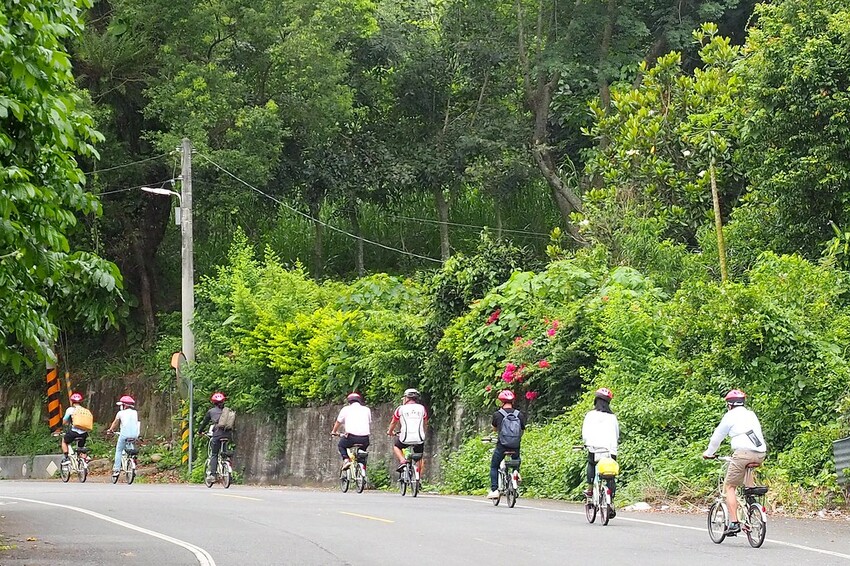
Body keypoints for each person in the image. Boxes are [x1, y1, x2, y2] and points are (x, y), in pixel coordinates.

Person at [703, 389, 767, 535]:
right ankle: (751, 499)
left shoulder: (730, 416)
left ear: (729, 404)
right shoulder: (751, 414)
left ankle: (734, 523)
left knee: (730, 486)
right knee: (747, 469)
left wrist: (709, 453)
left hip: (742, 454)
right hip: (760, 453)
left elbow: (716, 438)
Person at [582, 387, 620, 517]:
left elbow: (585, 433)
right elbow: (617, 434)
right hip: (610, 450)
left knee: (591, 464)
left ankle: (590, 490)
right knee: (610, 474)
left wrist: (586, 443)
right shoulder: (613, 417)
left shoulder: (590, 415)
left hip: (594, 448)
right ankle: (611, 501)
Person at [487, 390, 526, 499]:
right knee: (516, 459)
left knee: (494, 466)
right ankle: (516, 472)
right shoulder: (519, 414)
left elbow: (494, 428)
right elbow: (522, 430)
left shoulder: (497, 414)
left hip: (502, 445)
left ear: (501, 401)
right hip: (515, 444)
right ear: (513, 400)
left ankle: (494, 490)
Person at [387, 388, 428, 475]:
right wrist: (423, 432)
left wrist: (390, 432)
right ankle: (418, 480)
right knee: (419, 457)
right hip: (419, 438)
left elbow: (393, 422)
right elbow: (425, 423)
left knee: (396, 446)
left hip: (405, 438)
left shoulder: (401, 409)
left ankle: (402, 461)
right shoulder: (422, 408)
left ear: (406, 398)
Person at [331, 392, 372, 470]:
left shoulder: (346, 409)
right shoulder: (367, 409)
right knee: (362, 451)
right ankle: (362, 467)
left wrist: (334, 431)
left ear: (349, 401)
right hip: (365, 439)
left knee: (341, 445)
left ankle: (346, 460)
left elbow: (338, 422)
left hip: (351, 437)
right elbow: (369, 421)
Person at [198, 392, 232, 480]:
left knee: (214, 454)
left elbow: (204, 423)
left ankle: (213, 475)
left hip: (217, 434)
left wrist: (200, 431)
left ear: (213, 402)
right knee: (223, 450)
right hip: (227, 434)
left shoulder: (211, 411)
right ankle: (226, 463)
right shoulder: (227, 411)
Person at [106, 395, 141, 479]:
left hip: (124, 435)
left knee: (118, 450)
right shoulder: (135, 412)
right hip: (135, 435)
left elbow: (115, 424)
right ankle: (133, 463)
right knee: (131, 448)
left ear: (124, 405)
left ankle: (116, 469)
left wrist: (110, 430)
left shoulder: (120, 413)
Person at [61, 392, 91, 461]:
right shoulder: (84, 410)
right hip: (84, 433)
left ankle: (66, 457)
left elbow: (64, 421)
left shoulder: (70, 409)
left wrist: (62, 426)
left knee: (64, 441)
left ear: (72, 401)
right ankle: (84, 460)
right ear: (80, 401)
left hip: (74, 432)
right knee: (81, 447)